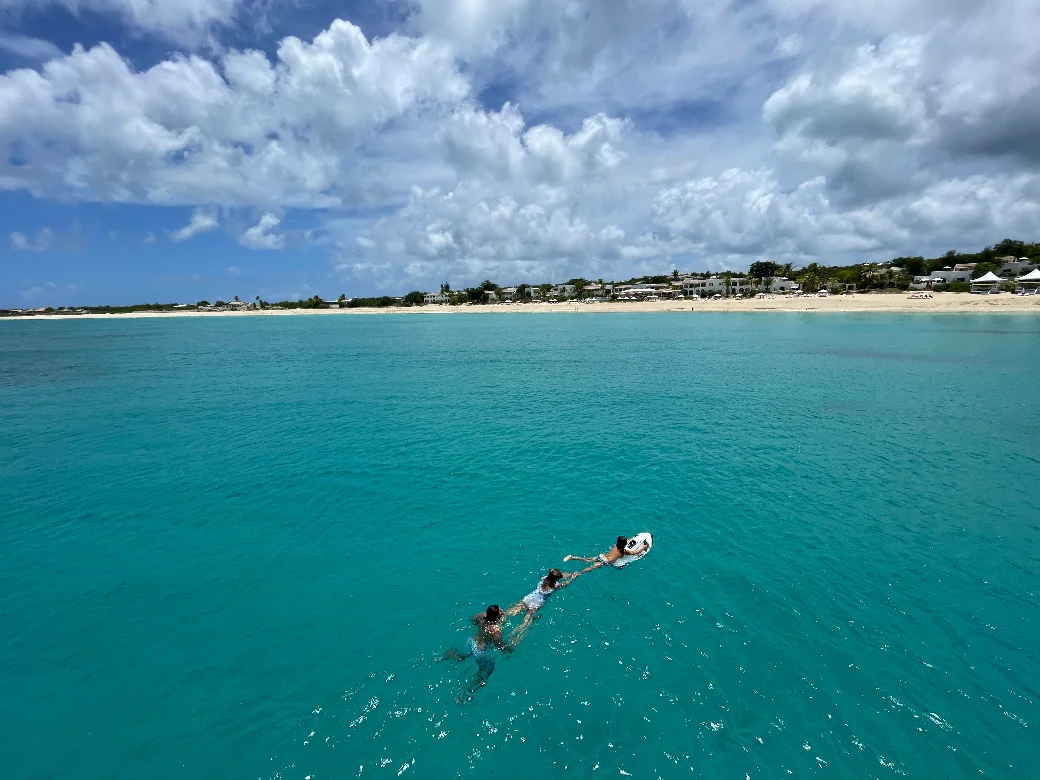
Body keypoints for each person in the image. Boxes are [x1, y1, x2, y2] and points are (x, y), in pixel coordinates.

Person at [439, 604, 507, 699]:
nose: (502, 611)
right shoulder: (495, 629)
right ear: (496, 616)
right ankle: (467, 692)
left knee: (462, 656)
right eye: (500, 611)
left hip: (472, 642)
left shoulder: (482, 616)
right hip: (481, 653)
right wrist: (507, 650)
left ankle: (442, 657)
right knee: (485, 674)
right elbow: (499, 644)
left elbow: (472, 619)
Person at [504, 568, 582, 646]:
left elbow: (553, 576)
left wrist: (567, 574)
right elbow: (567, 583)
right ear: (556, 579)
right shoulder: (555, 586)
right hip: (537, 603)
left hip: (529, 598)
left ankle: (500, 620)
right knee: (525, 623)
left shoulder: (544, 578)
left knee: (511, 611)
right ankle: (514, 638)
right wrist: (573, 577)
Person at [563, 535, 649, 568]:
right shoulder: (624, 551)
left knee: (586, 559)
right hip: (605, 561)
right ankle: (577, 573)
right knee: (588, 569)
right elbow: (635, 552)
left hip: (602, 556)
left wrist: (631, 538)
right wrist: (644, 547)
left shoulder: (615, 545)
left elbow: (623, 543)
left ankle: (571, 557)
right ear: (625, 544)